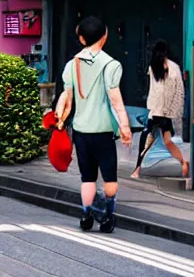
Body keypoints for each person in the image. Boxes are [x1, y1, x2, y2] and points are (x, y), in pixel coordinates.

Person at [55, 16, 132, 233]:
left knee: (87, 177)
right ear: (104, 36)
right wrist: (125, 127)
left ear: (81, 39)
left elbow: (67, 97)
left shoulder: (72, 65)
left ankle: (86, 214)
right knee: (109, 176)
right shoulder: (111, 65)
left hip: (80, 131)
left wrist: (60, 118)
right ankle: (107, 216)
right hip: (104, 131)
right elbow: (115, 100)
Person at [131, 40, 188, 178]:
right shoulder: (174, 67)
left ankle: (137, 169)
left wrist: (150, 108)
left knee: (146, 140)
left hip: (155, 111)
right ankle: (183, 163)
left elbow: (153, 90)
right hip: (167, 113)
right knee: (167, 141)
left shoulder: (153, 67)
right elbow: (179, 91)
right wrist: (176, 112)